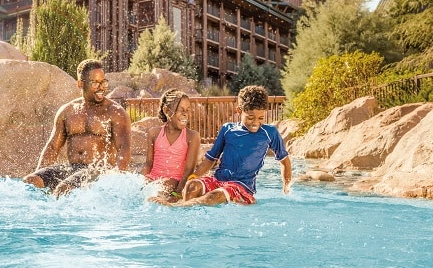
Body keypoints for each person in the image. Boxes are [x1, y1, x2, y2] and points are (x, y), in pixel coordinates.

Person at [157, 85, 291, 206]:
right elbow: (211, 158)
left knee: (213, 196)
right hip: (218, 180)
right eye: (250, 117)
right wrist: (194, 176)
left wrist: (286, 187)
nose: (256, 122)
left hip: (242, 187)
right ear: (239, 111)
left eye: (261, 118)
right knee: (192, 186)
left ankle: (177, 207)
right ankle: (185, 215)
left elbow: (285, 161)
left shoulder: (270, 133)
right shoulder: (228, 129)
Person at [23, 58, 132, 196]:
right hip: (72, 169)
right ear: (81, 84)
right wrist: (39, 172)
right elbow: (53, 147)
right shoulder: (67, 111)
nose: (102, 87)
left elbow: (124, 148)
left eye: (103, 82)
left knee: (63, 188)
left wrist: (117, 179)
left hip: (99, 170)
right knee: (31, 181)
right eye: (95, 83)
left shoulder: (115, 112)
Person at [141, 89, 201, 202]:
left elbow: (189, 170)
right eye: (180, 110)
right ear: (166, 111)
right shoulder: (154, 133)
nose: (185, 114)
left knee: (164, 185)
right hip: (153, 178)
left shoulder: (192, 136)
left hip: (174, 181)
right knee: (142, 185)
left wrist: (178, 195)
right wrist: (141, 181)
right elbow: (148, 163)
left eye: (188, 110)